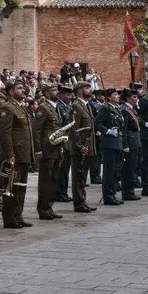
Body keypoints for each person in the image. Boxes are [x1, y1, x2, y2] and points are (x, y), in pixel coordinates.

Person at [0, 80, 35, 228]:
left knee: (20, 186)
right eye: (19, 88)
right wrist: (10, 154)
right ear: (11, 91)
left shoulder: (21, 108)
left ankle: (18, 214)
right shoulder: (7, 108)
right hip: (15, 154)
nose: (23, 90)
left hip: (24, 153)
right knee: (11, 188)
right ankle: (9, 218)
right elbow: (5, 134)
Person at [32, 83, 63, 221]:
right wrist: (38, 150)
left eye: (56, 89)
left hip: (55, 149)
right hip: (46, 150)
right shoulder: (43, 108)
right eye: (53, 90)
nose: (57, 92)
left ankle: (49, 207)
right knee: (45, 181)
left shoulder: (55, 108)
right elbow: (37, 131)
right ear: (46, 93)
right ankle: (43, 209)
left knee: (53, 180)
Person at [68, 81, 98, 213]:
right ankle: (79, 203)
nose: (89, 90)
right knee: (78, 176)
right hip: (80, 148)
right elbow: (74, 129)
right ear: (79, 91)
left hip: (88, 146)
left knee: (83, 177)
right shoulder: (76, 106)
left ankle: (82, 200)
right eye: (86, 88)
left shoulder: (87, 105)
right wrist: (79, 146)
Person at [95, 87, 126, 205]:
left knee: (115, 171)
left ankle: (112, 194)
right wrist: (107, 131)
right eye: (115, 94)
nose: (117, 96)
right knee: (109, 171)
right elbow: (97, 123)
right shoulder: (105, 109)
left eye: (117, 95)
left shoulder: (117, 109)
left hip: (117, 143)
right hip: (109, 144)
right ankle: (108, 197)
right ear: (109, 97)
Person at [120, 89, 142, 201]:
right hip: (130, 141)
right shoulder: (125, 110)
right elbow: (123, 129)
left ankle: (131, 191)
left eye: (136, 97)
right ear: (128, 98)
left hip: (135, 141)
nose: (136, 99)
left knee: (133, 168)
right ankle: (127, 192)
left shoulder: (132, 109)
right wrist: (125, 144)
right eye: (134, 97)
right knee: (128, 169)